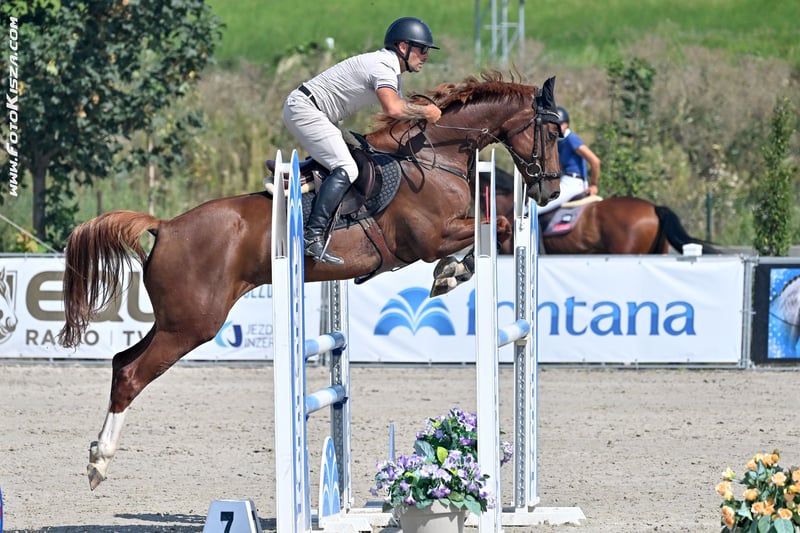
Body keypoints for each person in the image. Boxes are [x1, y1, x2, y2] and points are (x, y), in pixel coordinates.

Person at [283, 17, 442, 264]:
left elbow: (398, 118)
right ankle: (311, 236)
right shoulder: (383, 66)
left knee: (361, 152)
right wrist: (426, 111)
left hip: (318, 113)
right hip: (306, 109)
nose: (426, 56)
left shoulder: (391, 70)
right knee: (347, 167)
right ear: (403, 46)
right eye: (422, 49)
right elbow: (393, 109)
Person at [537, 105, 601, 214]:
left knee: (536, 207)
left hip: (573, 183)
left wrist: (593, 184)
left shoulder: (571, 139)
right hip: (564, 180)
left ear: (565, 125)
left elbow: (595, 161)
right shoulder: (558, 141)